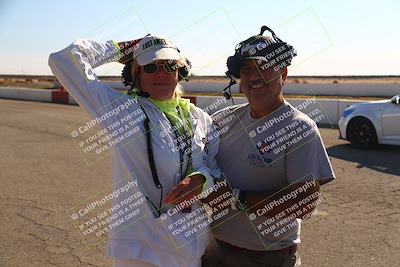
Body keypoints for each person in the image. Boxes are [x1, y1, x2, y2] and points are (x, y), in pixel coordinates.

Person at [49, 34, 220, 267]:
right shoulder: (121, 112)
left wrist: (202, 179)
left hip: (193, 253)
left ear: (180, 71)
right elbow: (63, 60)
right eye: (150, 67)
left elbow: (214, 166)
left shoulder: (199, 118)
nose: (161, 73)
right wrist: (120, 49)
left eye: (170, 65)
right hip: (142, 256)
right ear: (135, 74)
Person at [201, 26, 336, 267]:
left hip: (266, 258)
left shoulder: (299, 129)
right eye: (247, 69)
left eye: (265, 66)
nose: (254, 77)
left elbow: (303, 203)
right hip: (214, 251)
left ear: (283, 74)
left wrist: (237, 198)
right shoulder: (222, 120)